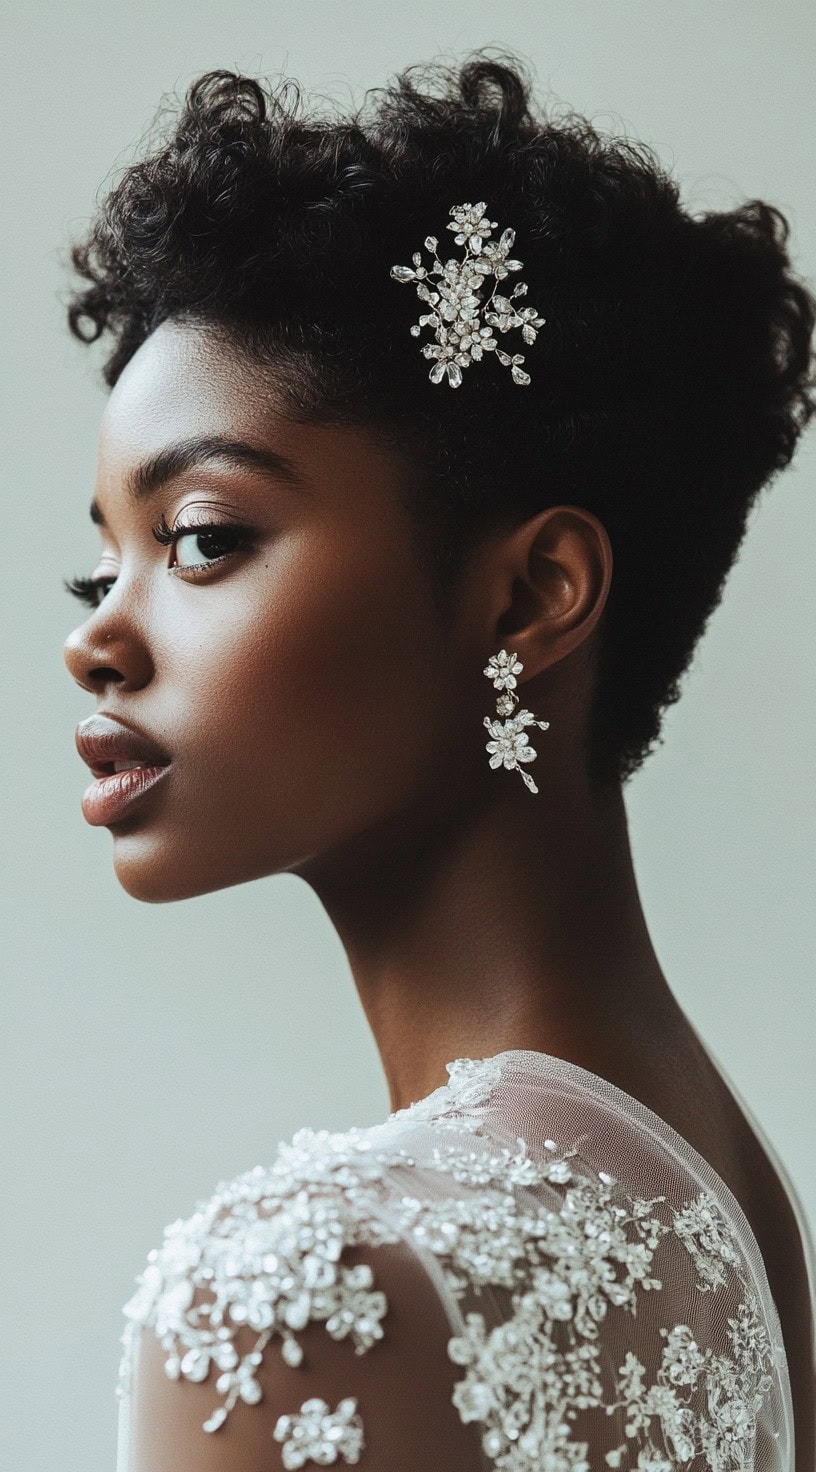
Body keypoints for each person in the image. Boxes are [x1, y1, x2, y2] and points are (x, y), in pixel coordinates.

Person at [61, 49, 816, 1472]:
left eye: (203, 538)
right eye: (91, 575)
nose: (97, 644)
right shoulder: (728, 1191)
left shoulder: (289, 1296)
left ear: (533, 598)